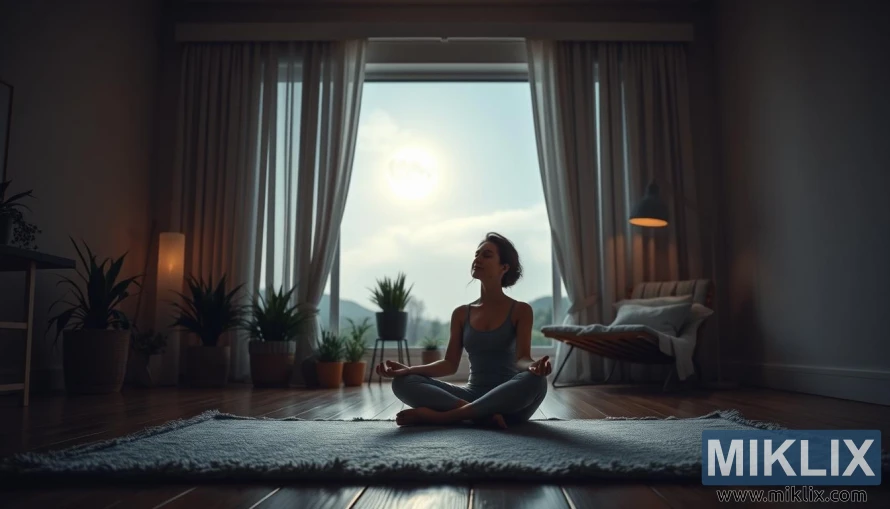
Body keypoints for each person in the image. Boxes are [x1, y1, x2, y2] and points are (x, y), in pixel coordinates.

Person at [375, 232, 552, 429]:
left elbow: (522, 359)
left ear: (504, 267)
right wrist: (408, 370)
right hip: (470, 396)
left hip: (508, 399)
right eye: (476, 254)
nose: (477, 259)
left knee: (536, 381)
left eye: (486, 255)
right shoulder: (461, 313)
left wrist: (533, 367)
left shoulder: (521, 310)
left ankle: (445, 418)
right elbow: (449, 364)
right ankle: (480, 415)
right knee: (402, 382)